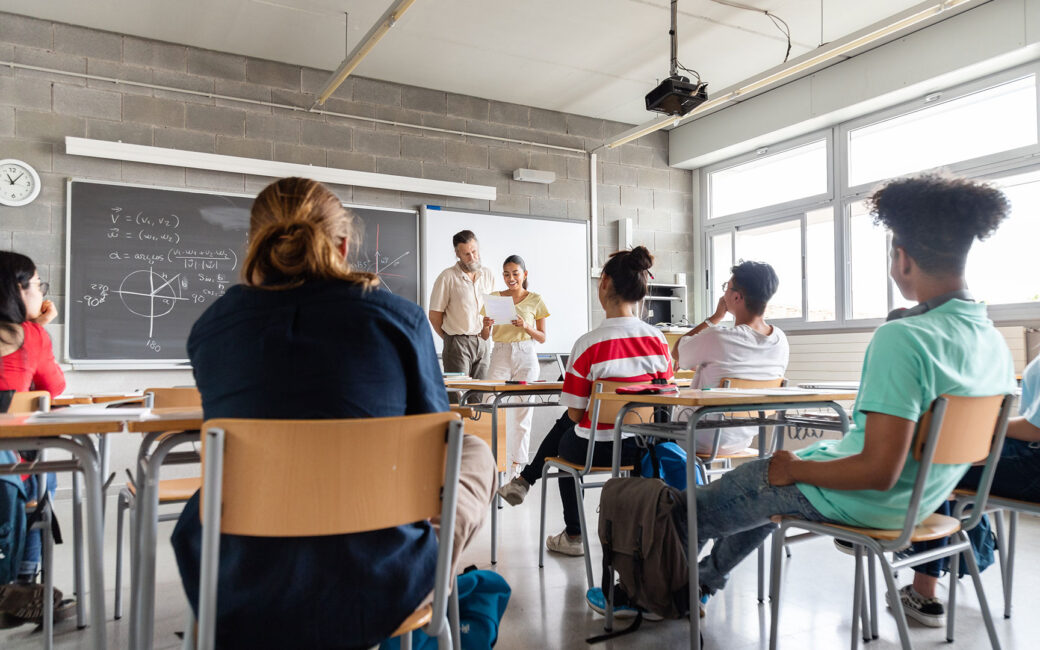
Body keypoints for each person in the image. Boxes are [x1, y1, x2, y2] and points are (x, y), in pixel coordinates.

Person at [170, 178, 496, 649]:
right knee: (472, 450)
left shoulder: (212, 329)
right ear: (343, 246)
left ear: (257, 245)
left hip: (239, 585)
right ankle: (433, 566)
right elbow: (436, 443)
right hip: (384, 584)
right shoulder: (397, 318)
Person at [679, 173, 1016, 613]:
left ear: (902, 259)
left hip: (863, 500)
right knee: (766, 486)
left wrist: (797, 470)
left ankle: (652, 594)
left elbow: (878, 471)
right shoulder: (992, 341)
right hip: (921, 503)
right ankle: (700, 582)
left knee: (689, 510)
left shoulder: (904, 338)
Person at [497, 246, 673, 556]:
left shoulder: (588, 344)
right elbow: (665, 403)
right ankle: (525, 482)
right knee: (569, 428)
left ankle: (573, 534)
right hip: (642, 447)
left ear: (604, 283)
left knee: (566, 439)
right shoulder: (658, 340)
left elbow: (577, 414)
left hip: (596, 448)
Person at [890, 352, 1040, 627]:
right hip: (1030, 461)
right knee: (945, 454)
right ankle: (947, 543)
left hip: (1033, 466)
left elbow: (1035, 429)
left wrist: (987, 423)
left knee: (935, 459)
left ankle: (923, 590)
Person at [0, 251, 70, 626]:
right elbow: (53, 387)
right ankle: (23, 583)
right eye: (39, 285)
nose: (42, 292)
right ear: (18, 289)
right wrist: (39, 328)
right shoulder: (32, 336)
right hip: (14, 461)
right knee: (43, 476)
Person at [673, 260, 789, 454]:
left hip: (697, 434)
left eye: (726, 288)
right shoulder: (780, 340)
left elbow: (677, 351)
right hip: (743, 438)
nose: (724, 293)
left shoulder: (718, 336)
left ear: (737, 297)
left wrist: (714, 318)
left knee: (651, 429)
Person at [480, 255, 550, 476]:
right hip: (500, 352)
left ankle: (516, 467)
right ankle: (490, 462)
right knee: (489, 404)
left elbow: (542, 337)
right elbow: (484, 336)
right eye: (506, 274)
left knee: (523, 413)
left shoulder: (535, 299)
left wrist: (526, 326)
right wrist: (486, 325)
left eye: (515, 273)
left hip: (525, 354)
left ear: (524, 274)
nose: (511, 278)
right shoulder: (494, 298)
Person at [428, 230, 495, 379]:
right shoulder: (447, 277)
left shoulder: (488, 275)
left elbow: (491, 309)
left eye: (474, 252)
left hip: (484, 342)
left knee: (481, 391)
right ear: (457, 254)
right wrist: (450, 339)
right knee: (459, 391)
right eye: (466, 254)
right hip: (457, 343)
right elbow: (434, 315)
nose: (472, 257)